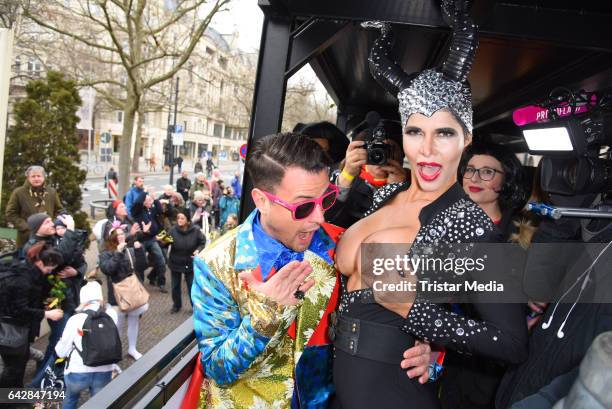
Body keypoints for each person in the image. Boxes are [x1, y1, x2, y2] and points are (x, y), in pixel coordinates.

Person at [331, 14, 527, 409]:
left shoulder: (470, 224)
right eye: (416, 131)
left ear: (466, 138)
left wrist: (419, 316)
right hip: (341, 384)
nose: (428, 149)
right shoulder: (383, 197)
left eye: (445, 133)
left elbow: (510, 343)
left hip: (395, 392)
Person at [191, 133, 431, 407]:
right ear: (262, 201)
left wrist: (429, 353)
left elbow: (426, 306)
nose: (319, 218)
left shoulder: (346, 246)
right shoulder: (214, 263)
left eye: (326, 199)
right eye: (304, 206)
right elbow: (217, 370)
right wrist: (266, 316)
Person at [0, 243, 64, 390]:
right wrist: (46, 313)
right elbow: (18, 309)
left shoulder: (30, 272)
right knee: (12, 370)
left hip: (18, 330)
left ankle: (15, 399)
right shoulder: (22, 279)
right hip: (10, 331)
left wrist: (43, 304)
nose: (51, 271)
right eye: (51, 267)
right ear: (41, 262)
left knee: (18, 368)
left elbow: (29, 299)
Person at [325, 117, 408, 228]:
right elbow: (325, 221)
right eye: (375, 148)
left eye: (389, 149)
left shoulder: (416, 186)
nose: (380, 154)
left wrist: (399, 193)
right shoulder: (344, 179)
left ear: (403, 155)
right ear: (362, 151)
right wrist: (346, 177)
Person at [54, 281, 119, 409]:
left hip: (78, 371)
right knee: (99, 403)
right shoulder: (112, 315)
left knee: (71, 397)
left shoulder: (75, 319)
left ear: (83, 299)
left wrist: (57, 357)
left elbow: (61, 350)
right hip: (104, 370)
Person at [460, 141, 527, 241]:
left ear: (507, 180)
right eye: (470, 169)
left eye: (487, 172)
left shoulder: (518, 235)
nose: (474, 178)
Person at [99, 228, 149, 360]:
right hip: (117, 295)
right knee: (117, 326)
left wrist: (139, 251)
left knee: (134, 321)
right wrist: (118, 252)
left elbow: (142, 266)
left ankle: (132, 348)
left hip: (132, 292)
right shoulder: (105, 254)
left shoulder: (129, 249)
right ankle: (116, 353)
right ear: (111, 237)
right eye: (118, 234)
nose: (121, 236)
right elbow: (108, 269)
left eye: (122, 233)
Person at [5, 165, 64, 248]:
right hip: (26, 239)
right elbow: (11, 213)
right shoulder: (18, 193)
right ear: (28, 178)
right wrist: (26, 227)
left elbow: (59, 211)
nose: (36, 179)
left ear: (43, 177)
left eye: (39, 176)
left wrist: (52, 225)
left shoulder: (51, 192)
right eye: (33, 176)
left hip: (48, 239)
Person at [167, 209, 205, 313]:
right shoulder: (172, 231)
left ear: (187, 220)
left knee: (191, 287)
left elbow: (202, 242)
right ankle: (176, 305)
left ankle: (195, 306)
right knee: (175, 286)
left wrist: (198, 250)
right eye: (178, 218)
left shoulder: (196, 230)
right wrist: (161, 240)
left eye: (182, 218)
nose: (179, 220)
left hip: (189, 262)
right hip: (175, 262)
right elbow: (166, 243)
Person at [131, 192, 168, 292]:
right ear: (143, 202)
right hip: (141, 241)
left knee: (161, 260)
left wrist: (154, 199)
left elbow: (160, 210)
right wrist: (144, 192)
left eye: (150, 201)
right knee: (140, 264)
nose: (150, 202)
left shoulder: (151, 209)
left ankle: (161, 283)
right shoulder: (137, 210)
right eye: (147, 201)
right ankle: (140, 285)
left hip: (152, 239)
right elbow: (138, 202)